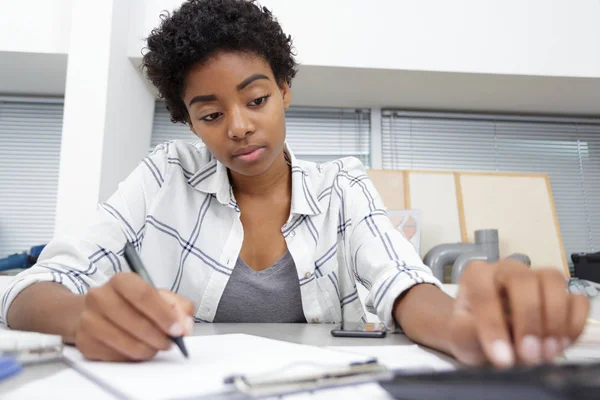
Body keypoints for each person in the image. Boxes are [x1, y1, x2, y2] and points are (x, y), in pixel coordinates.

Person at [2, 0, 589, 367]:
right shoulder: (164, 176)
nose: (238, 126)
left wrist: (465, 327)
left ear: (285, 88)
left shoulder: (342, 187)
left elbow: (403, 284)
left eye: (256, 98)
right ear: (188, 121)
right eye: (209, 115)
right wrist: (83, 319)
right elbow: (33, 287)